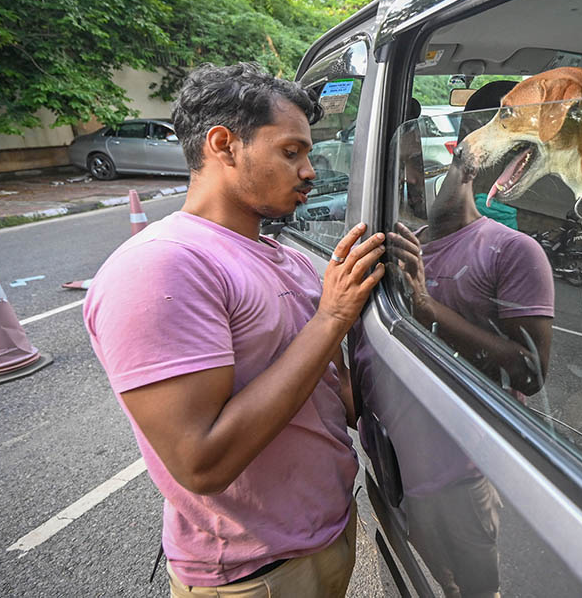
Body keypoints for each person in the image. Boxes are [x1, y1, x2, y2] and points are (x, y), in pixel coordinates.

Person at [84, 62, 385, 597]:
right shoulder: (163, 266)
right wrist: (332, 318)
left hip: (327, 534)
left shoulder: (284, 258)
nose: (309, 170)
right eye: (291, 152)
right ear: (223, 144)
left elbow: (330, 392)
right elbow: (202, 462)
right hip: (252, 574)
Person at [377, 93, 554, 597]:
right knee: (433, 578)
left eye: (428, 163)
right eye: (408, 168)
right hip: (400, 458)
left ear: (468, 162)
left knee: (477, 584)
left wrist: (428, 308)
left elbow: (531, 374)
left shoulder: (511, 250)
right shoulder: (401, 242)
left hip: (465, 469)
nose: (417, 179)